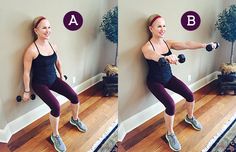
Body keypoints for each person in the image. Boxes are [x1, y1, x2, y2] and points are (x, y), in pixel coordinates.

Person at [141, 14, 212, 151]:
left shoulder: (168, 43)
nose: (163, 29)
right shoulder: (146, 47)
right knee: (171, 104)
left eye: (164, 26)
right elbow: (153, 55)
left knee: (190, 95)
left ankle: (189, 117)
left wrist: (205, 45)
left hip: (168, 78)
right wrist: (166, 58)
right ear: (151, 28)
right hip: (155, 81)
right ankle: (170, 134)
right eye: (159, 26)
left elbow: (187, 44)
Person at [23, 16, 87, 152]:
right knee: (56, 107)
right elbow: (26, 72)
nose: (48, 30)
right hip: (40, 84)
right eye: (44, 28)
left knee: (74, 97)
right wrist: (27, 91)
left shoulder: (53, 45)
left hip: (53, 79)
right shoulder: (31, 50)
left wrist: (61, 75)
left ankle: (74, 119)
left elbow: (58, 62)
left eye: (49, 27)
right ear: (36, 30)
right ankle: (55, 135)